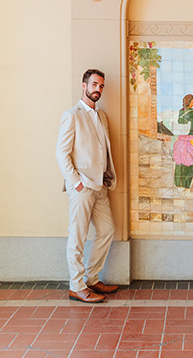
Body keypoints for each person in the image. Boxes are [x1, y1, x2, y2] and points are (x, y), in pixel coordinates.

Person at [55, 69, 118, 303]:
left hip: (100, 186)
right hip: (82, 186)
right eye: (94, 85)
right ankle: (76, 286)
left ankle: (92, 279)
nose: (98, 89)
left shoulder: (102, 117)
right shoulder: (72, 115)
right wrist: (76, 183)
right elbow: (61, 153)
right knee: (77, 236)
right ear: (84, 86)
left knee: (107, 230)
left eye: (101, 86)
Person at [172, 93, 193, 188]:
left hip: (180, 141)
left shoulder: (178, 113)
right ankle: (190, 184)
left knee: (181, 162)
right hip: (192, 140)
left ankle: (179, 183)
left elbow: (173, 125)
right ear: (190, 102)